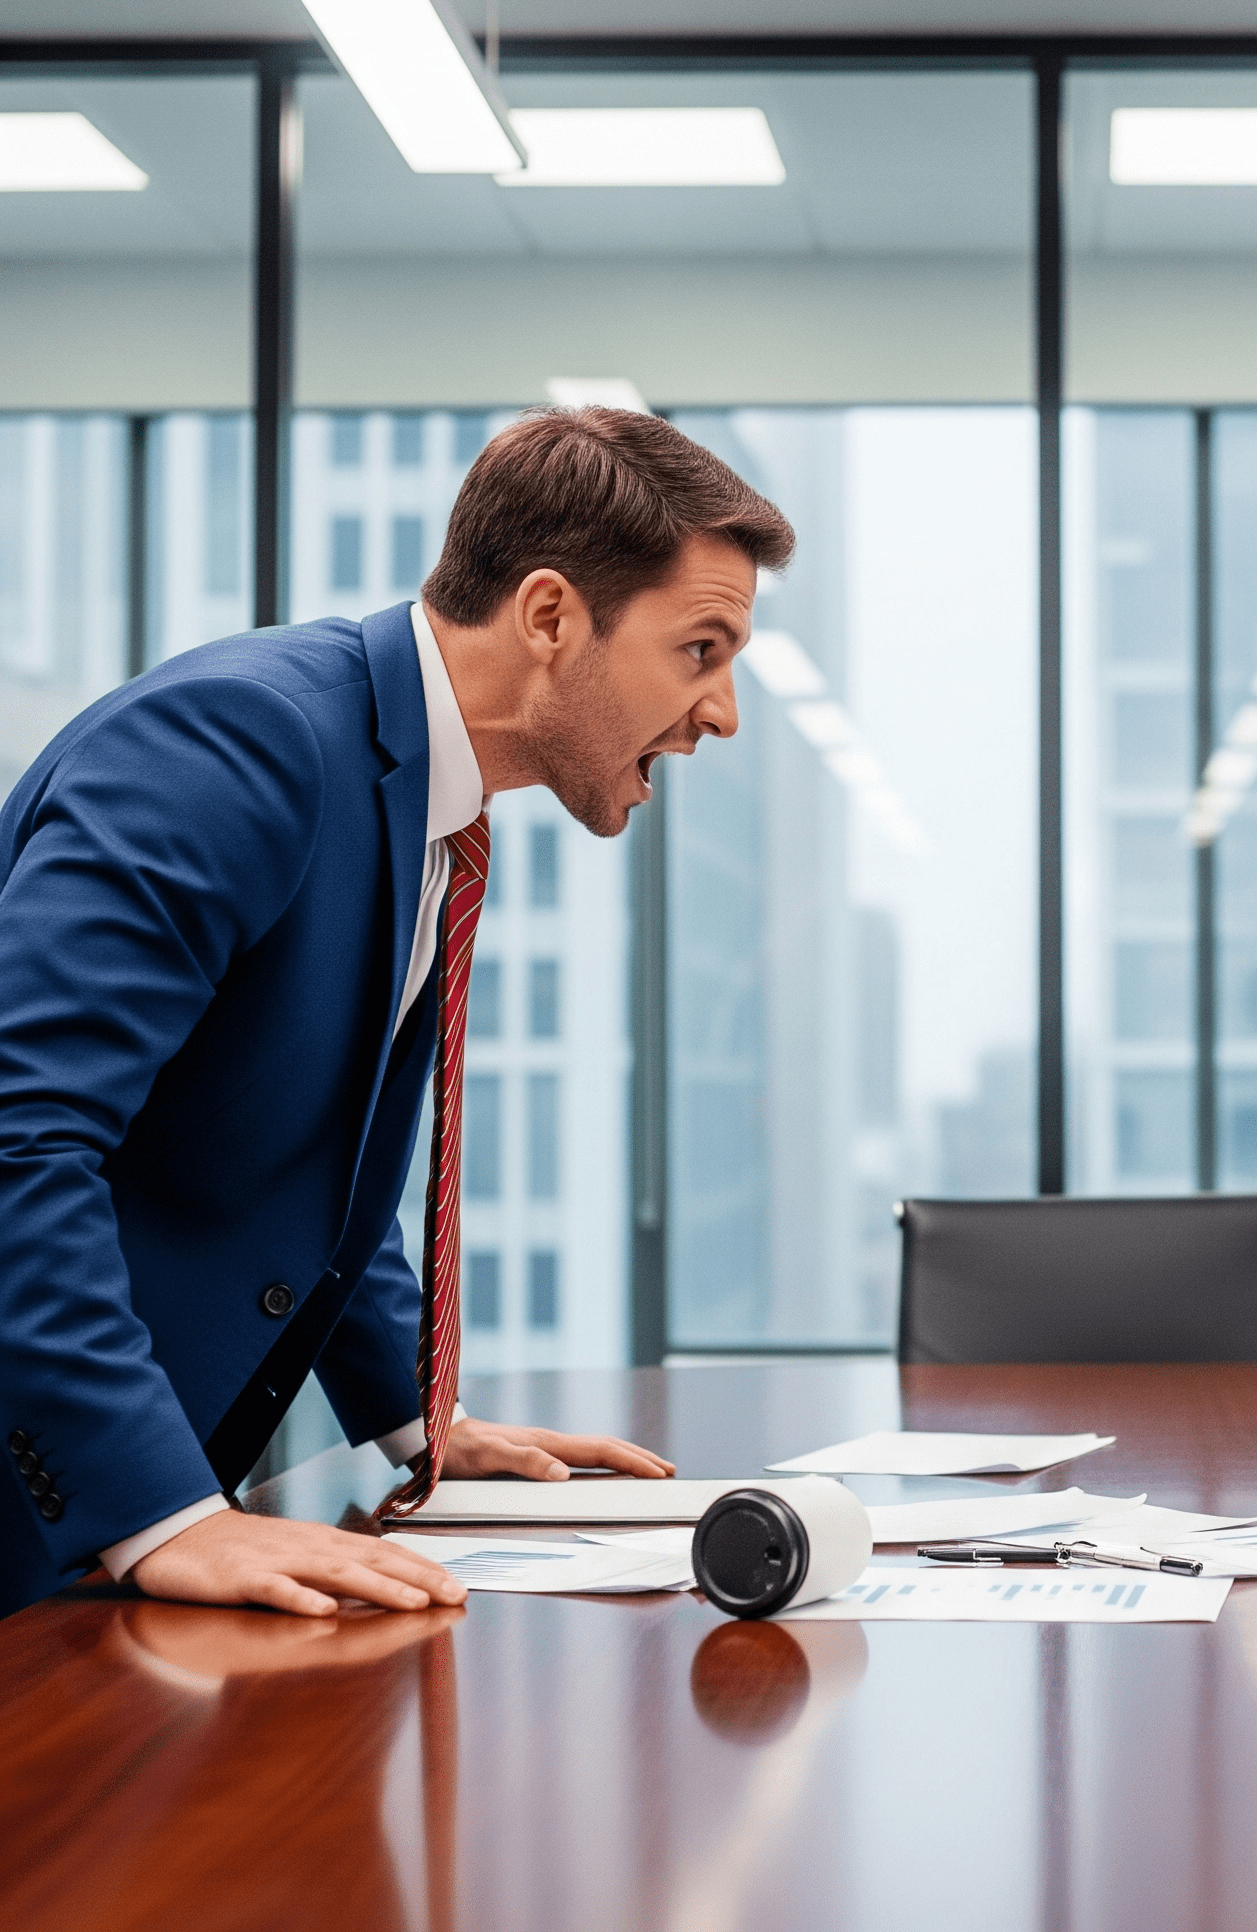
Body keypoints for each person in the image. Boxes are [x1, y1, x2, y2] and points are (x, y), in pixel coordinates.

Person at [0, 407, 794, 1622]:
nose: (721, 711)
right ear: (548, 617)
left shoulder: (430, 807)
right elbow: (19, 1135)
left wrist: (420, 1422)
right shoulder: (240, 743)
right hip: (63, 1493)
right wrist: (158, 1510)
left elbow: (324, 1163)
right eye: (700, 649)